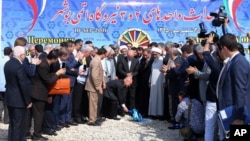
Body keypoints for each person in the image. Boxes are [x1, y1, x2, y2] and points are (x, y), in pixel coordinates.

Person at [217, 33, 250, 140]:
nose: (220, 52)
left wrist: (239, 117)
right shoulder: (233, 61)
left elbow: (240, 90)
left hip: (237, 115)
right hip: (232, 112)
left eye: (220, 49)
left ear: (225, 48)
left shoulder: (238, 62)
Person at [31, 50, 66, 140]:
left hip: (41, 92)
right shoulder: (43, 65)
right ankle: (36, 135)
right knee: (38, 116)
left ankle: (38, 132)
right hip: (38, 93)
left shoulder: (45, 62)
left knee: (40, 115)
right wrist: (57, 73)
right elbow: (48, 80)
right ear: (54, 59)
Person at [4, 46, 32, 141]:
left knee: (13, 123)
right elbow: (23, 85)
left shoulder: (7, 64)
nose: (25, 56)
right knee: (18, 125)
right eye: (24, 54)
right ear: (21, 55)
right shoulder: (19, 66)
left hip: (9, 97)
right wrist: (28, 101)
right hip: (19, 100)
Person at [85, 47, 106, 126]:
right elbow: (94, 75)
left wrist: (103, 83)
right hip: (92, 87)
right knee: (92, 104)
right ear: (103, 54)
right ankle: (91, 120)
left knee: (94, 103)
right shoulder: (95, 61)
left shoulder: (97, 60)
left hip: (94, 86)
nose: (105, 57)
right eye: (105, 55)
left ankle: (94, 118)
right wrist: (98, 86)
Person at [148, 47, 165, 118]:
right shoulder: (153, 61)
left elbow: (164, 72)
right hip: (153, 82)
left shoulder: (162, 61)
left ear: (158, 53)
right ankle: (153, 113)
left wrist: (164, 81)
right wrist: (149, 81)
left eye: (155, 54)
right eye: (153, 54)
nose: (154, 55)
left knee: (160, 97)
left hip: (160, 82)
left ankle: (160, 114)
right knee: (153, 97)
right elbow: (152, 72)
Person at [0, 47, 13, 124]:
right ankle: (6, 119)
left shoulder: (0, 60)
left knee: (0, 102)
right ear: (10, 53)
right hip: (6, 85)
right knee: (7, 103)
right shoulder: (9, 61)